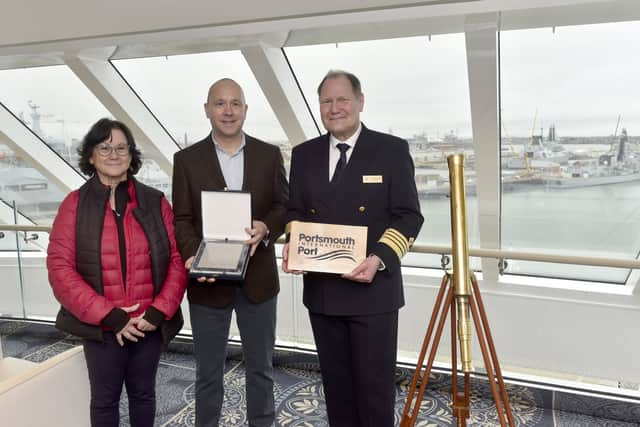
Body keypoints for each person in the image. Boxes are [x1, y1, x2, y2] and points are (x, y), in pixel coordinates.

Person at [283, 70, 424, 427]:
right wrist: (294, 245)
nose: (334, 108)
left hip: (373, 293)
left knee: (374, 393)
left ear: (360, 102)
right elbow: (295, 212)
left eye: (342, 99)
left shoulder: (391, 150)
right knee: (337, 390)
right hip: (323, 293)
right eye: (326, 101)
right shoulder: (304, 155)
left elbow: (409, 216)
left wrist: (379, 257)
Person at [47, 118, 187, 427]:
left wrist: (157, 312)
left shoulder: (155, 201)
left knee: (144, 396)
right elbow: (60, 270)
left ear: (131, 154)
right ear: (91, 156)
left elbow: (177, 261)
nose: (114, 154)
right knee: (104, 401)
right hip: (104, 327)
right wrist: (110, 316)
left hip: (147, 323)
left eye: (121, 147)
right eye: (105, 147)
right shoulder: (74, 205)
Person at [172, 78, 288, 427]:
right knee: (208, 375)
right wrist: (195, 257)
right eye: (220, 103)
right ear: (207, 110)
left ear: (245, 110)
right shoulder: (186, 160)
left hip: (259, 282)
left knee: (261, 371)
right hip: (208, 282)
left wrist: (267, 227)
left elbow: (284, 207)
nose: (228, 111)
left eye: (235, 103)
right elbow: (182, 219)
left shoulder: (269, 156)